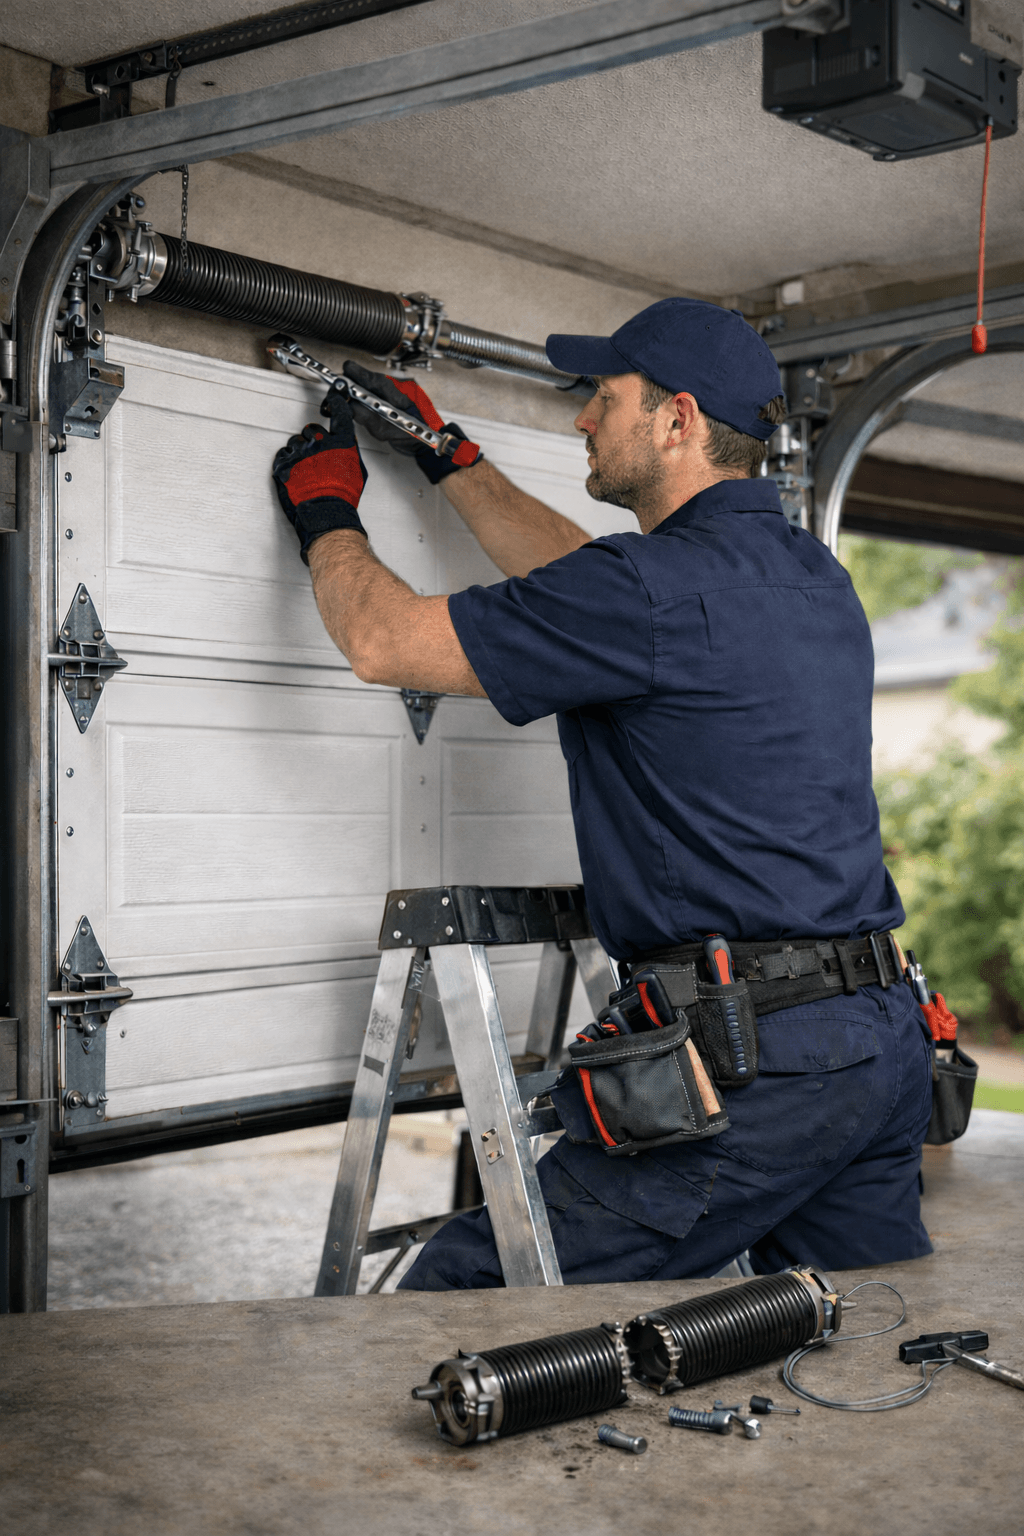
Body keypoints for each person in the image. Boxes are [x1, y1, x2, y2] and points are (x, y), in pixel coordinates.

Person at [271, 297, 934, 1288]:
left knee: (465, 1298)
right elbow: (585, 582)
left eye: (604, 398)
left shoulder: (647, 592)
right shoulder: (807, 576)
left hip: (760, 1060)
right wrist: (451, 459)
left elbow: (384, 644)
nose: (583, 418)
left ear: (676, 419)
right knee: (862, 1344)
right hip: (877, 1038)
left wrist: (325, 513)